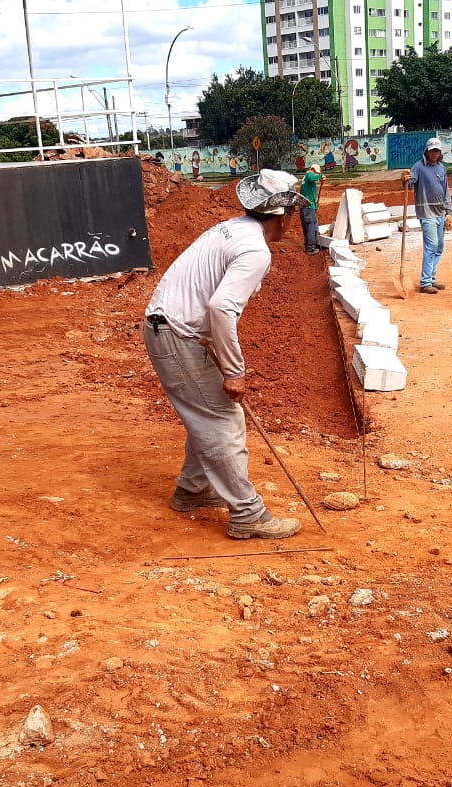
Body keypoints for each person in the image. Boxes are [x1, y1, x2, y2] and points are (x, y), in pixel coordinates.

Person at [143, 170, 309, 540]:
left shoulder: (231, 228)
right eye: (292, 213)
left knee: (206, 411)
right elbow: (221, 308)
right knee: (222, 419)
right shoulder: (255, 250)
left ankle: (193, 488)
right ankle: (248, 514)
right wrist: (234, 372)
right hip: (177, 334)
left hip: (169, 329)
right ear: (283, 215)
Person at [402, 136, 452, 295]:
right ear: (426, 151)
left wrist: (449, 212)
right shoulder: (418, 167)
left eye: (437, 151)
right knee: (431, 246)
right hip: (427, 213)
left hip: (440, 212)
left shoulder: (441, 168)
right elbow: (409, 184)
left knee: (439, 247)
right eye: (432, 151)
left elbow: (446, 191)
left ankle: (431, 278)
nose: (434, 154)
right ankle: (425, 283)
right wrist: (404, 180)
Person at [298, 164, 324, 255]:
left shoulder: (305, 180)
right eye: (316, 172)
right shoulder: (309, 175)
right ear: (313, 169)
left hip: (305, 206)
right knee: (311, 226)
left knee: (309, 226)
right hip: (308, 207)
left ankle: (311, 244)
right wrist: (321, 176)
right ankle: (310, 248)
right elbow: (311, 177)